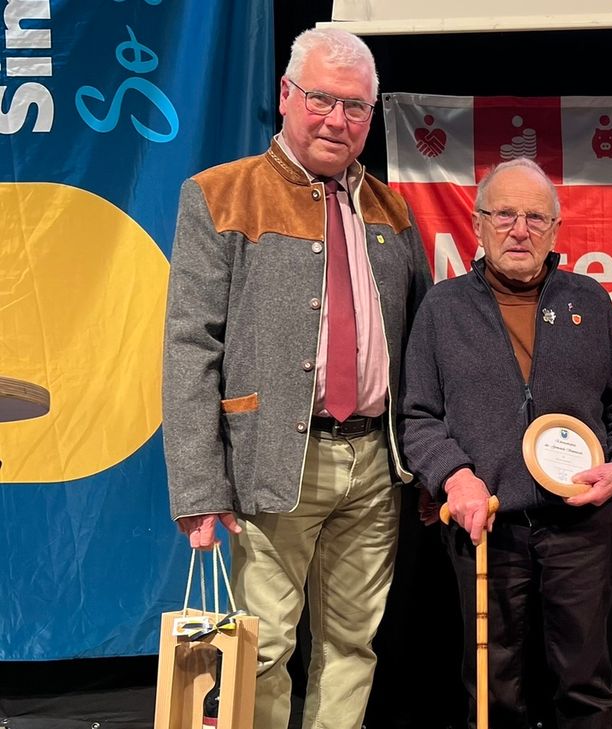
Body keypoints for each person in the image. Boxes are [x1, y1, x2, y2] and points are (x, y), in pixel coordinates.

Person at [162, 28, 431, 729]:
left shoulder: (393, 210)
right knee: (263, 648)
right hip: (273, 462)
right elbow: (190, 345)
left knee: (352, 645)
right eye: (321, 100)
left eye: (356, 108)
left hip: (376, 465)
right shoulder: (220, 194)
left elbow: (420, 343)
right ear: (285, 95)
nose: (337, 121)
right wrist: (198, 485)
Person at [401, 158, 612, 729]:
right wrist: (453, 476)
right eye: (506, 214)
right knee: (495, 692)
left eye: (536, 218)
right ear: (479, 222)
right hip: (485, 525)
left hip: (581, 527)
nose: (521, 229)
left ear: (556, 230)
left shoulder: (588, 300)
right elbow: (417, 416)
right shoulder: (442, 308)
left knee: (586, 686)